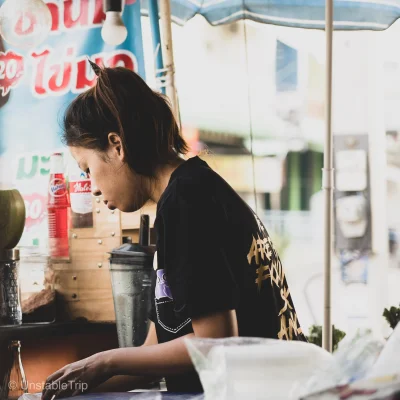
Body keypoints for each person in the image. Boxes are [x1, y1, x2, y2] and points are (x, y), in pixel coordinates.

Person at [41, 65, 306, 400]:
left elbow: (215, 344)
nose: (92, 187)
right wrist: (76, 386)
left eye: (87, 169)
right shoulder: (185, 195)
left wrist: (105, 361)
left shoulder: (187, 200)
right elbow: (159, 347)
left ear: (117, 146)